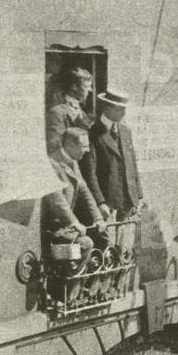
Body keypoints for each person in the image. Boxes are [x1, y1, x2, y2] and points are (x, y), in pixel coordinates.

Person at [42, 127, 107, 270]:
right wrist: (74, 222)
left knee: (102, 239)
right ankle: (65, 285)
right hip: (52, 227)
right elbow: (56, 200)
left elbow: (85, 191)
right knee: (85, 244)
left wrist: (97, 217)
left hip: (64, 226)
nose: (87, 150)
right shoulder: (51, 163)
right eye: (83, 146)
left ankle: (79, 283)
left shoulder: (72, 161)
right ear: (70, 146)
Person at [80, 88, 143, 219]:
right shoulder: (92, 132)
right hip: (107, 203)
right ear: (106, 108)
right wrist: (99, 202)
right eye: (119, 109)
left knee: (125, 239)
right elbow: (89, 172)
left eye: (124, 109)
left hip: (128, 202)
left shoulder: (125, 131)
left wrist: (138, 195)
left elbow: (133, 165)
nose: (124, 113)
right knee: (107, 239)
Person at [45, 64, 95, 152]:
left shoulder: (81, 111)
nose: (90, 90)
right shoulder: (57, 112)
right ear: (75, 87)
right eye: (86, 86)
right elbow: (54, 145)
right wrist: (80, 128)